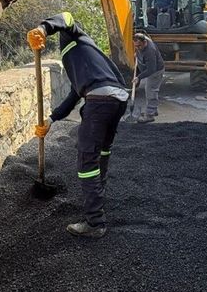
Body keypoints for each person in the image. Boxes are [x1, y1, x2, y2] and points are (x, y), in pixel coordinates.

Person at [28, 12, 128, 238]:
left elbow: (67, 16)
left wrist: (43, 27)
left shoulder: (77, 37)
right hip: (118, 99)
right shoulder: (84, 58)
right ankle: (98, 197)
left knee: (87, 160)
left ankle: (95, 222)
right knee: (102, 151)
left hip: (100, 100)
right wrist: (51, 119)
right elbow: (74, 94)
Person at [132, 33, 165, 123]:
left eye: (139, 46)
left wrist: (139, 77)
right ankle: (153, 110)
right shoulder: (141, 41)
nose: (138, 48)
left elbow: (151, 70)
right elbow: (139, 48)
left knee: (151, 90)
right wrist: (137, 54)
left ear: (145, 42)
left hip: (156, 71)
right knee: (151, 90)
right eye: (136, 46)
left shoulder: (150, 51)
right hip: (150, 68)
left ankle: (150, 115)